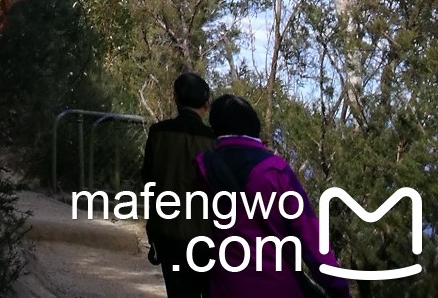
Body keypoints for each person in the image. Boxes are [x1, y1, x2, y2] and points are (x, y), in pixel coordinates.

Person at [196, 93, 345, 296]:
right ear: (254, 127)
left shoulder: (202, 167)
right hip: (277, 286)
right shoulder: (275, 171)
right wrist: (338, 287)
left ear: (215, 128)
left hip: (224, 285)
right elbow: (310, 234)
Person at [141, 72, 218, 298]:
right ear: (206, 103)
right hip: (206, 238)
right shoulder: (214, 141)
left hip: (168, 235)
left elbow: (149, 182)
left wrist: (152, 231)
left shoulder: (158, 133)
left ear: (175, 98)